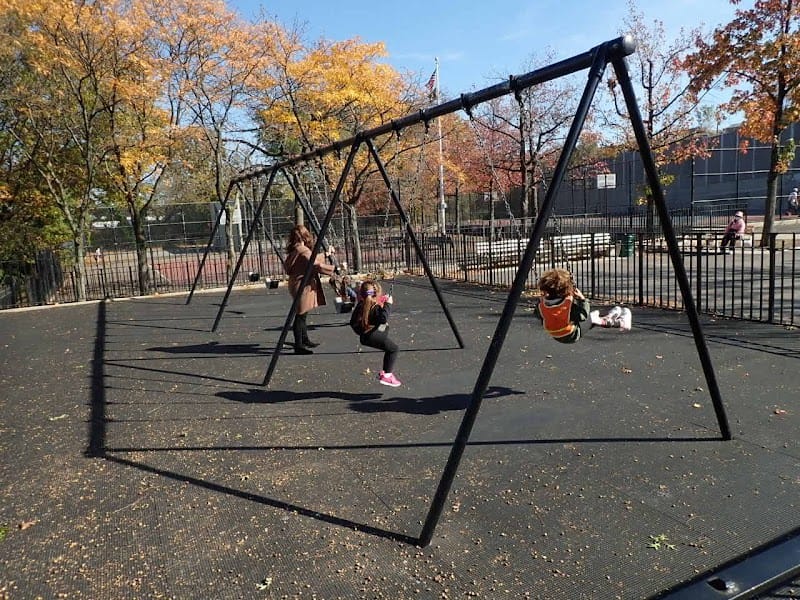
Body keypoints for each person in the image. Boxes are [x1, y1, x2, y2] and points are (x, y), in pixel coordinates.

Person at [284, 224, 336, 354]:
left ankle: (304, 339)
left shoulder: (296, 249)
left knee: (303, 313)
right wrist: (333, 269)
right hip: (302, 285)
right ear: (305, 236)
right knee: (300, 315)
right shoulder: (303, 250)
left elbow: (312, 258)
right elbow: (316, 265)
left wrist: (325, 254)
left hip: (296, 283)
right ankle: (299, 346)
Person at [349, 279, 401, 387]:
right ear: (376, 294)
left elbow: (352, 322)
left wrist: (360, 331)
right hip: (374, 335)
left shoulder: (361, 305)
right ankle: (387, 376)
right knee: (393, 349)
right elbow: (383, 318)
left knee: (389, 347)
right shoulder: (376, 308)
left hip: (364, 337)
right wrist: (388, 304)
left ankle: (385, 372)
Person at [531, 268, 591, 343]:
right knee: (593, 316)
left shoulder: (542, 305)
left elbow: (537, 315)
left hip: (554, 334)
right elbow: (582, 316)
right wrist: (582, 300)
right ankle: (601, 321)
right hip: (572, 335)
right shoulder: (567, 305)